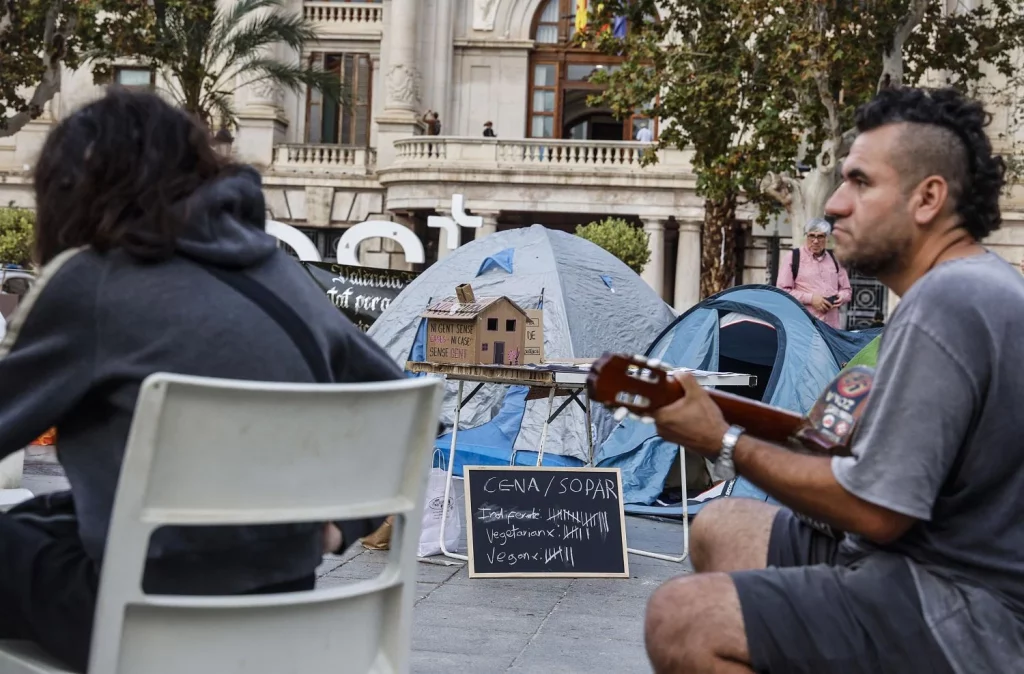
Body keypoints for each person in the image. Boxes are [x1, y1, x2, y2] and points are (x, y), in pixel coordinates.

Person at [0, 88, 403, 671]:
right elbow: (404, 408)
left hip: (135, 617)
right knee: (44, 518)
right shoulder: (282, 275)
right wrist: (340, 528)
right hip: (282, 611)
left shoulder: (92, 282)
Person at [642, 86, 1024, 673]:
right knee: (722, 524)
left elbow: (876, 511)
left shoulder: (950, 300)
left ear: (928, 198)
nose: (836, 205)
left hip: (963, 607)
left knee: (683, 618)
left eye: (861, 182)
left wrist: (721, 441)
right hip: (909, 555)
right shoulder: (974, 282)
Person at [775, 217, 852, 328]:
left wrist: (841, 297)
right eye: (811, 236)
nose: (815, 241)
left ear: (827, 238)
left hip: (831, 327)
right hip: (804, 326)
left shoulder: (835, 259)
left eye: (820, 236)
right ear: (806, 236)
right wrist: (811, 299)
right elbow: (782, 291)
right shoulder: (793, 257)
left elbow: (847, 290)